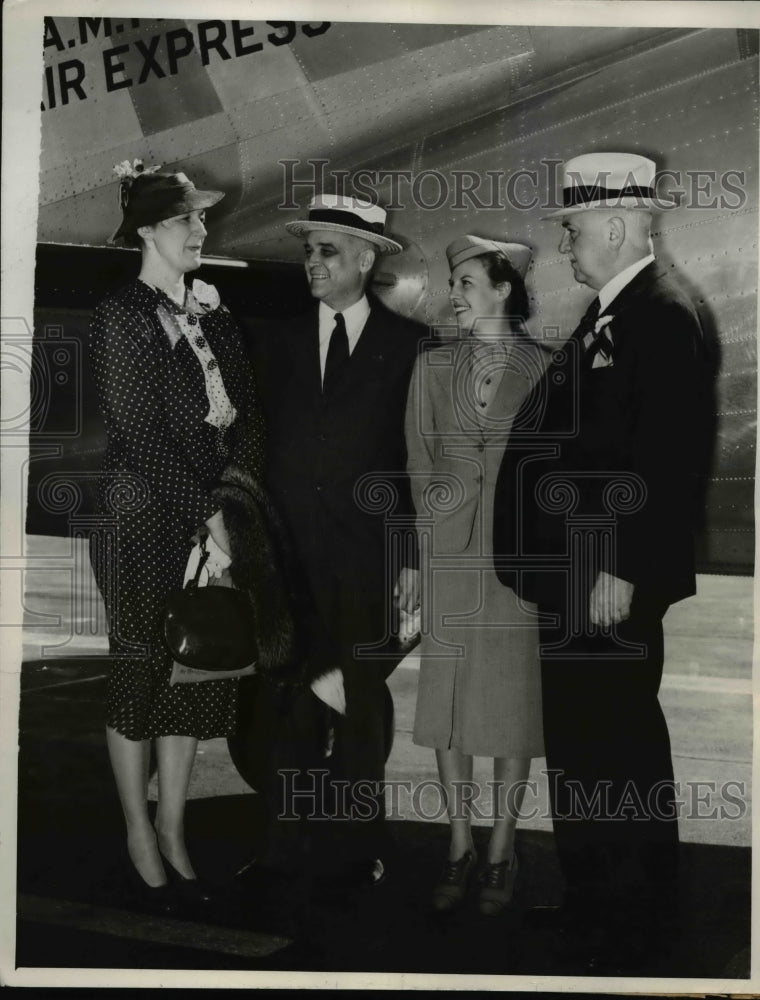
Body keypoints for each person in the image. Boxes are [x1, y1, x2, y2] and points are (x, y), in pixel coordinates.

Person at [494, 152, 708, 969]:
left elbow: (666, 456)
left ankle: (634, 914)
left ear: (617, 225)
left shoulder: (659, 313)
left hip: (605, 579)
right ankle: (596, 900)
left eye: (574, 226)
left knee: (614, 742)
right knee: (584, 740)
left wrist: (622, 567)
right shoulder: (611, 312)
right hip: (573, 576)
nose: (564, 242)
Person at [89, 161, 264, 909]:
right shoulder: (121, 314)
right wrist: (208, 515)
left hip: (212, 515)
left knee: (197, 674)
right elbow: (138, 429)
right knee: (141, 667)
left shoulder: (215, 312)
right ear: (151, 230)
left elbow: (249, 416)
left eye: (200, 220)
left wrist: (230, 498)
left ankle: (173, 828)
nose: (201, 231)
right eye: (189, 220)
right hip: (143, 515)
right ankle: (136, 830)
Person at [252, 194, 425, 889]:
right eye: (308, 251)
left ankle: (357, 848)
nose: (312, 263)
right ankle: (282, 847)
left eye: (327, 250)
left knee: (356, 696)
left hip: (369, 554)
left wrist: (411, 553)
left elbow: (420, 460)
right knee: (288, 697)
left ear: (365, 258)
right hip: (289, 553)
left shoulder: (411, 347)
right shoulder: (276, 342)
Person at [404, 236, 545, 916]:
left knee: (512, 709)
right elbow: (417, 465)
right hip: (450, 555)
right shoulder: (431, 368)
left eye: (465, 281)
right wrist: (417, 553)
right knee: (450, 707)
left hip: (517, 560)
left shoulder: (547, 368)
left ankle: (501, 848)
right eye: (451, 280)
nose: (452, 292)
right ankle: (458, 845)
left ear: (502, 289)